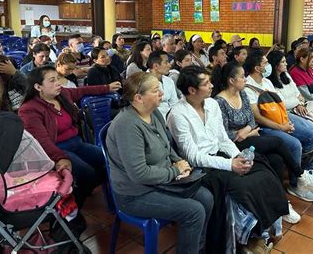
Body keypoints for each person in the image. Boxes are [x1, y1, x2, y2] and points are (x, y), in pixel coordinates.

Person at [167, 65, 289, 254]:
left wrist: (238, 156)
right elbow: (193, 156)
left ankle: (262, 230)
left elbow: (223, 139)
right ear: (192, 90)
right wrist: (230, 165)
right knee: (243, 186)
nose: (211, 85)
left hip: (222, 157)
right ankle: (246, 238)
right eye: (206, 83)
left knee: (262, 169)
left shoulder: (211, 104)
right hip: (202, 167)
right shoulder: (178, 114)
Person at [106, 72, 213, 254]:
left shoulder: (154, 112)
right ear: (139, 98)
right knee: (194, 211)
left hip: (160, 181)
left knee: (207, 198)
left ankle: (197, 249)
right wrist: (174, 171)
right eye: (156, 91)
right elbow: (139, 174)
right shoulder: (127, 126)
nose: (162, 93)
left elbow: (166, 144)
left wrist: (178, 161)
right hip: (135, 194)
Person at [212, 62, 313, 207]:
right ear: (231, 80)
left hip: (250, 135)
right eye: (242, 77)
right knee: (278, 142)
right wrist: (247, 133)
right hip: (234, 143)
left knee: (277, 160)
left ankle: (281, 201)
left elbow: (252, 119)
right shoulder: (219, 102)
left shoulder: (242, 94)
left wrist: (248, 130)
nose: (245, 79)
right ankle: (300, 175)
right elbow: (224, 133)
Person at [18, 65, 121, 207]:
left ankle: (80, 191)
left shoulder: (62, 95)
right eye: (52, 80)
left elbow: (82, 90)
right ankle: (70, 209)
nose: (58, 83)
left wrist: (106, 87)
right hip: (55, 150)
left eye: (58, 79)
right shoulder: (29, 109)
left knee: (109, 160)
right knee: (87, 172)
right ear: (38, 86)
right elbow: (42, 141)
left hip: (77, 143)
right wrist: (60, 157)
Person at [243, 50, 313, 201]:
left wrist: (285, 120)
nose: (268, 65)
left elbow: (279, 103)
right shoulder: (248, 87)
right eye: (265, 63)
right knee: (294, 144)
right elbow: (259, 117)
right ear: (257, 68)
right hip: (266, 126)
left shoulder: (267, 82)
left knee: (311, 131)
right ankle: (296, 185)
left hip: (281, 117)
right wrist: (281, 127)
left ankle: (308, 171)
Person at [267, 50, 313, 167]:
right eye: (283, 62)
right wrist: (297, 102)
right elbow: (281, 103)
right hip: (286, 112)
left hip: (299, 107)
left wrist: (298, 102)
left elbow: (298, 94)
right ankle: (311, 163)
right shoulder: (269, 82)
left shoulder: (285, 75)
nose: (286, 64)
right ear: (275, 64)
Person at [147, 51, 178, 119]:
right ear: (156, 66)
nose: (169, 65)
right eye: (166, 62)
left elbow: (174, 103)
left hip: (171, 119)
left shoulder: (169, 81)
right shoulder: (144, 81)